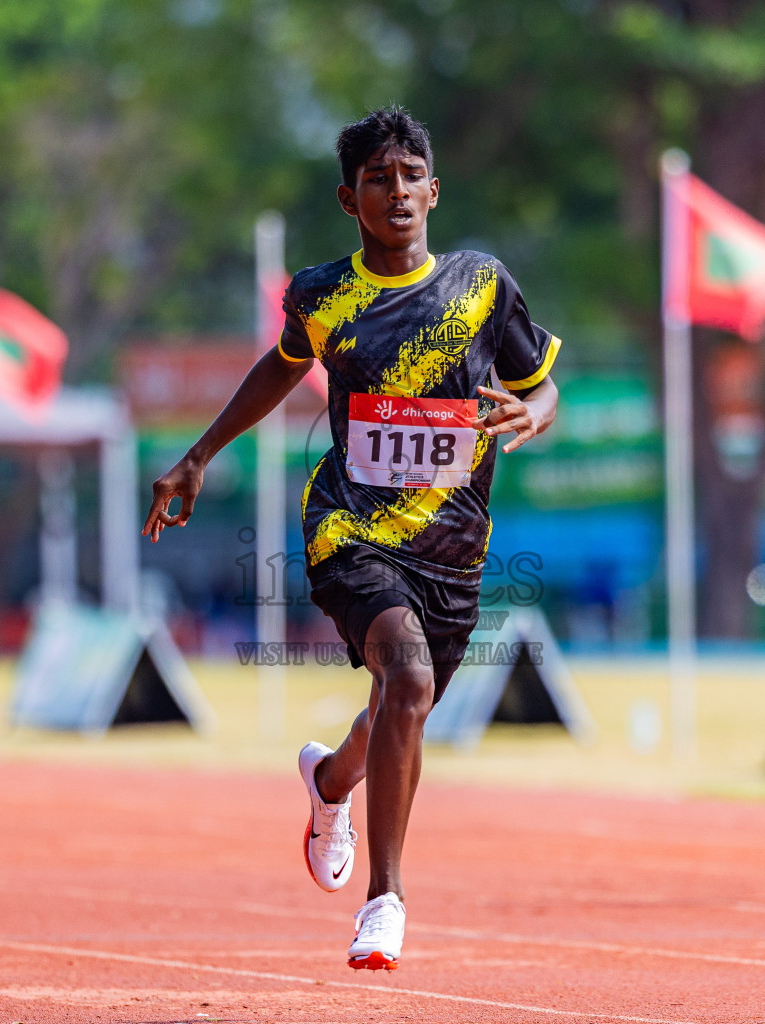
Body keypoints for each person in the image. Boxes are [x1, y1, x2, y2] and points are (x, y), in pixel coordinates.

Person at [143, 106, 561, 968]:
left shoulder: (483, 284)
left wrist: (535, 411)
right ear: (349, 198)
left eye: (411, 175)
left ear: (435, 191)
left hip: (453, 542)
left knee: (404, 702)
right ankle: (387, 900)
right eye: (379, 178)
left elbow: (541, 385)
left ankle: (331, 780)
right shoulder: (322, 294)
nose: (397, 190)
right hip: (350, 525)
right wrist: (198, 455)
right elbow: (283, 364)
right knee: (405, 676)